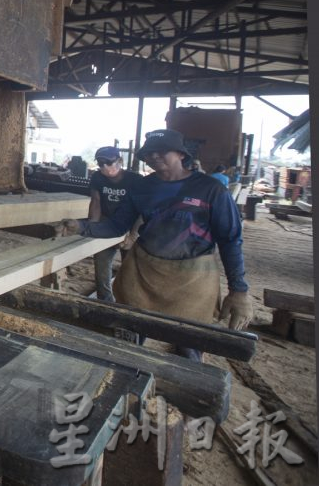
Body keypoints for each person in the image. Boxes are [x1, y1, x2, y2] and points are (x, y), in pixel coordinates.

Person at [57, 129, 253, 361]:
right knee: (131, 335)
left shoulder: (211, 189)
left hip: (193, 280)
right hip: (144, 274)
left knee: (189, 342)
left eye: (162, 151)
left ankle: (189, 385)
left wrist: (238, 290)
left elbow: (230, 240)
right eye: (149, 153)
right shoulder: (142, 187)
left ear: (181, 154)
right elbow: (117, 226)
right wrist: (81, 227)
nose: (154, 156)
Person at [87, 146, 142, 302]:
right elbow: (96, 202)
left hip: (131, 226)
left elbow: (142, 211)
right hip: (107, 226)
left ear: (120, 161)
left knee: (131, 269)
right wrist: (93, 228)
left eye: (109, 162)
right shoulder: (98, 178)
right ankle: (105, 302)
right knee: (101, 267)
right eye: (101, 163)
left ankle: (130, 303)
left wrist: (133, 235)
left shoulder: (135, 180)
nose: (105, 167)